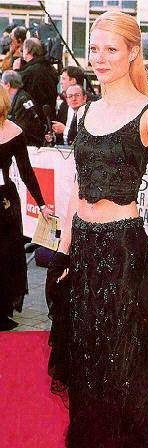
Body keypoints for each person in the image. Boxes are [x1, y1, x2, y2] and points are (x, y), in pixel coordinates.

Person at [45, 11, 148, 448]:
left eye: (110, 49)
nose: (99, 58)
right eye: (94, 49)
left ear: (133, 52)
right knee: (86, 356)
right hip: (84, 245)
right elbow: (75, 189)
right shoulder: (86, 111)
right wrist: (62, 250)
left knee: (123, 358)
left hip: (123, 249)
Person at [0, 86, 52, 331]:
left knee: (7, 254)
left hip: (5, 202)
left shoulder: (14, 131)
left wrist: (41, 203)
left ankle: (2, 308)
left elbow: (26, 171)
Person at [1, 70, 46, 147]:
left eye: (2, 83)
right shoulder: (14, 98)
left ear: (8, 85)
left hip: (29, 143)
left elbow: (21, 127)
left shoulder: (23, 100)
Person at [18, 37, 58, 119]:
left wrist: (16, 70)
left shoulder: (30, 71)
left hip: (34, 116)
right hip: (49, 114)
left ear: (28, 50)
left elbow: (16, 85)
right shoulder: (50, 67)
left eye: (23, 49)